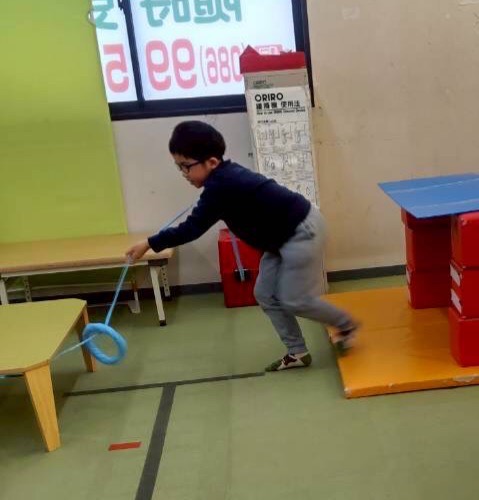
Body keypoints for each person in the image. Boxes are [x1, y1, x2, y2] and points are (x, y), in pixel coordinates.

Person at [126, 121, 358, 371]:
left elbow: (191, 229)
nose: (183, 173)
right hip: (280, 239)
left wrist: (149, 243)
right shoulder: (221, 181)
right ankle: (297, 352)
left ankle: (346, 324)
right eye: (178, 166)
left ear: (211, 162)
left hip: (301, 232)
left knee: (294, 299)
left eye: (186, 166)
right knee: (265, 294)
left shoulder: (222, 185)